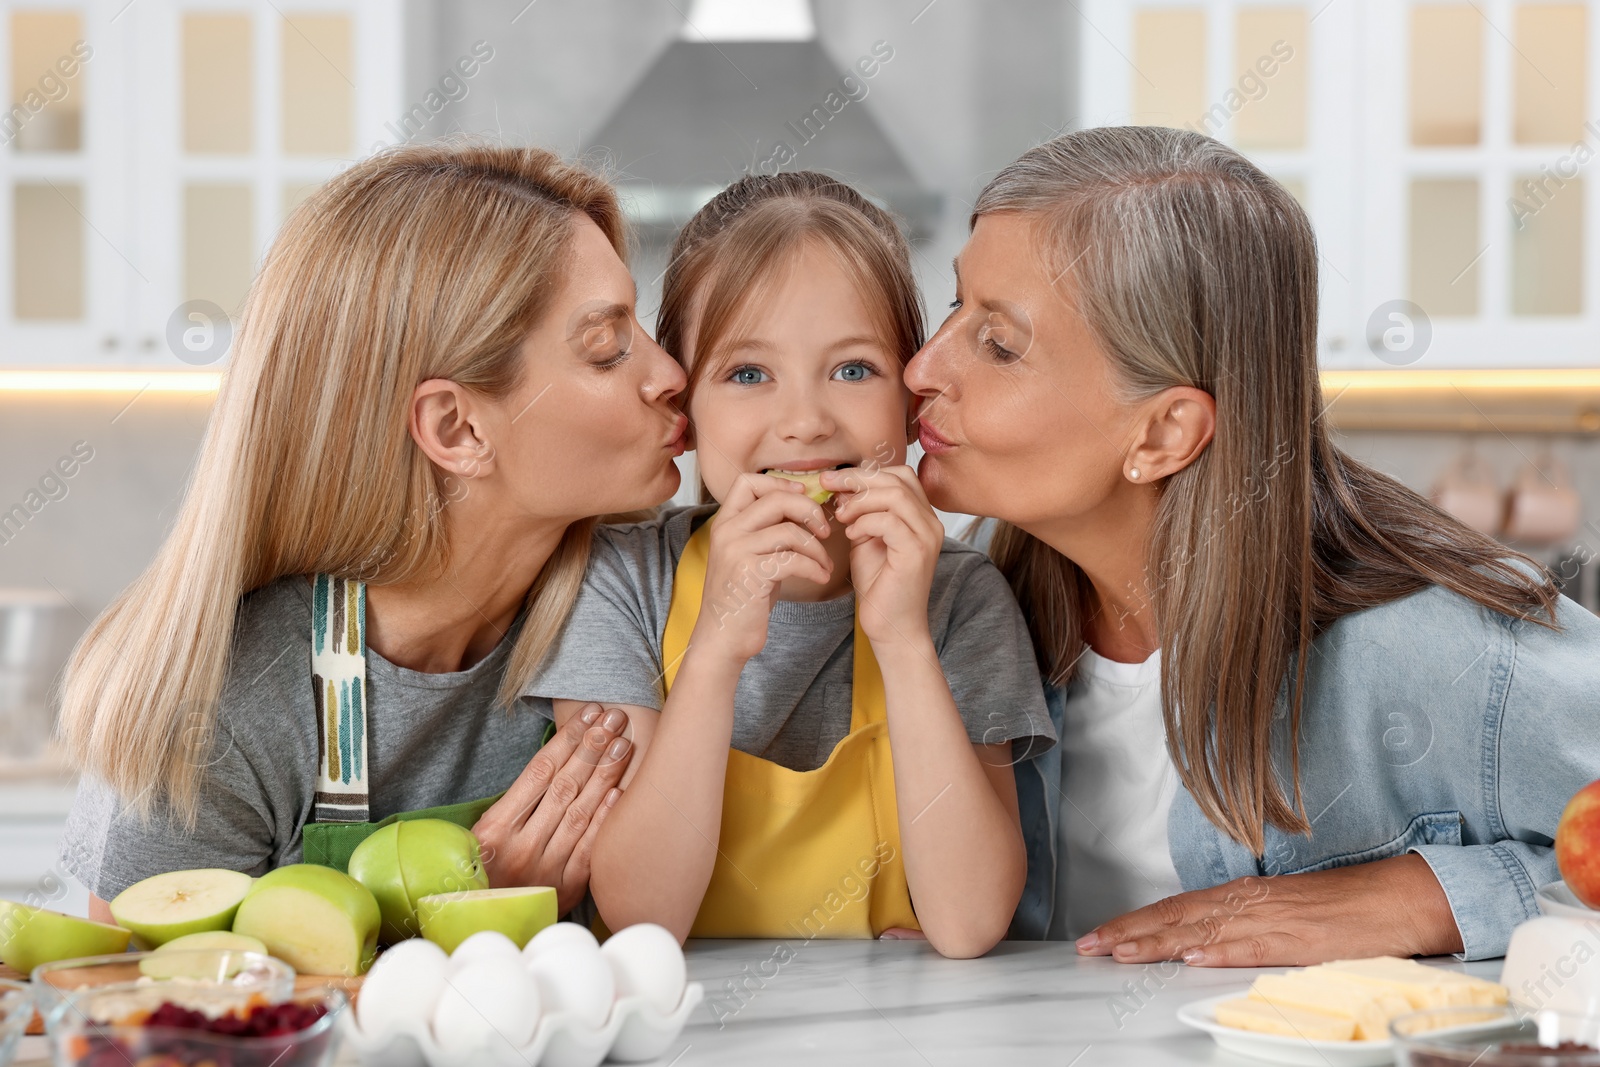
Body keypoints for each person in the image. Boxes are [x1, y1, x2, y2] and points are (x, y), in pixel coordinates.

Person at [904, 126, 1600, 963]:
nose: (921, 368)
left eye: (999, 345)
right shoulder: (963, 602)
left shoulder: (1440, 648)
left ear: (1163, 433)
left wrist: (1426, 896)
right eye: (955, 305)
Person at [56, 143, 687, 926]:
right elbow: (127, 1016)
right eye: (607, 347)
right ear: (456, 428)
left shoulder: (638, 600)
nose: (671, 374)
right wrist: (451, 920)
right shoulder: (226, 714)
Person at [526, 172, 1056, 958]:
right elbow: (641, 916)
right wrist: (714, 652)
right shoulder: (624, 581)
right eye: (747, 375)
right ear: (686, 412)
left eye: (853, 370)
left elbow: (970, 919)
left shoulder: (961, 598)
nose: (805, 423)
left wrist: (904, 640)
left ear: (909, 406)